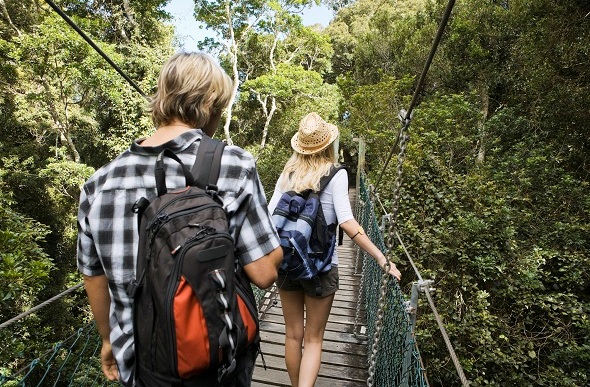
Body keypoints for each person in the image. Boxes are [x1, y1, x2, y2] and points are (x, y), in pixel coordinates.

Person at [76, 52, 283, 386]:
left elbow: (93, 275)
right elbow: (264, 273)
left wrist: (106, 339)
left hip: (141, 366)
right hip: (213, 362)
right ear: (212, 103)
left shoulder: (98, 184)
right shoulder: (233, 164)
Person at [267, 112, 402, 387]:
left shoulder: (288, 172)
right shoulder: (337, 174)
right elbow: (348, 223)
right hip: (322, 267)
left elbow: (270, 216)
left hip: (287, 261)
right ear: (328, 143)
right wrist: (381, 258)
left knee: (293, 335)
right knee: (314, 338)